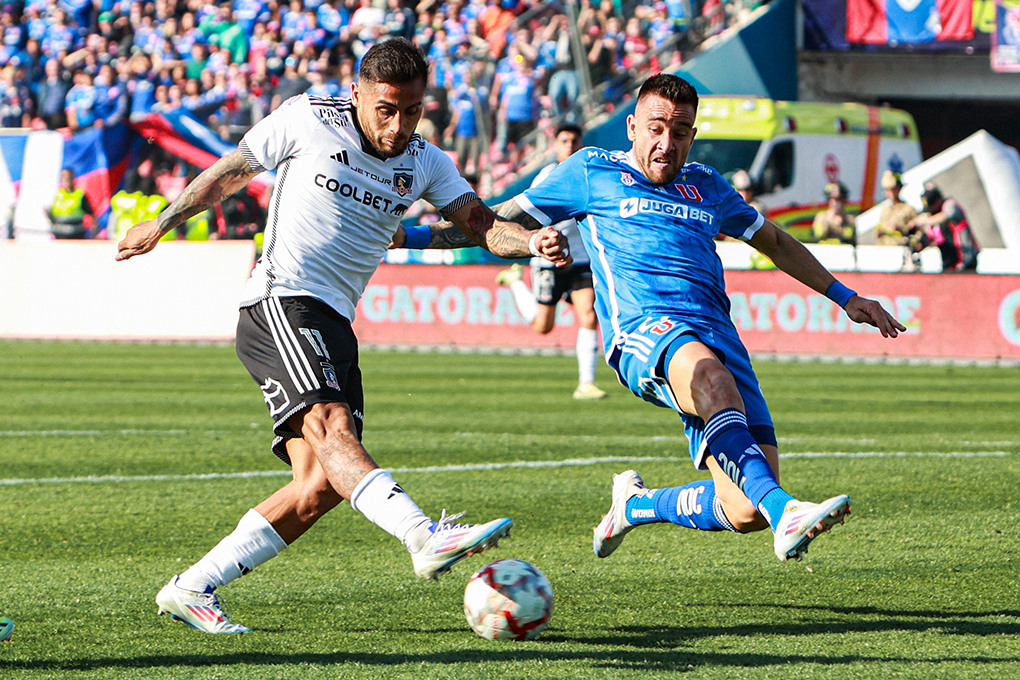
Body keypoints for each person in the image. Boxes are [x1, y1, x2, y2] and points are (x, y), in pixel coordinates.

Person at [116, 38, 570, 635]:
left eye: (412, 110)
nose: (399, 123)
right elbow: (226, 176)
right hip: (280, 300)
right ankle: (421, 535)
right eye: (387, 109)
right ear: (357, 94)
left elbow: (485, 229)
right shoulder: (305, 119)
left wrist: (529, 242)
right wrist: (163, 221)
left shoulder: (427, 161)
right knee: (331, 424)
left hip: (334, 322)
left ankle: (192, 587)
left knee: (319, 486)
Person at [405, 74, 904, 565]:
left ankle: (637, 505)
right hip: (644, 331)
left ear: (693, 134)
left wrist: (846, 297)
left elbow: (772, 240)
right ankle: (788, 512)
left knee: (744, 506)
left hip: (717, 336)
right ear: (631, 127)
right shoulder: (589, 171)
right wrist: (408, 237)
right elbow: (488, 222)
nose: (666, 143)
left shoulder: (707, 185)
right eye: (656, 127)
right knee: (714, 385)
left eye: (681, 131)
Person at [494, 123, 608, 400]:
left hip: (580, 259)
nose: (569, 145)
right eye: (564, 140)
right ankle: (515, 282)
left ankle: (586, 383)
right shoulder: (546, 177)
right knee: (543, 326)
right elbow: (529, 214)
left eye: (574, 140)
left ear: (581, 145)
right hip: (549, 260)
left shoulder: (591, 176)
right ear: (556, 145)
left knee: (589, 315)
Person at [908, 182, 979, 272]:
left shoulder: (950, 205)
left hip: (966, 258)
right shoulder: (933, 219)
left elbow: (945, 216)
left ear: (938, 201)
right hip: (949, 262)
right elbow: (931, 237)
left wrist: (923, 220)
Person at [47, 168, 94, 239]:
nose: (66, 180)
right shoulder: (57, 195)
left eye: (68, 177)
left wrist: (94, 233)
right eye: (63, 177)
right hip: (59, 236)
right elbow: (52, 216)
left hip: (76, 236)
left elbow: (92, 215)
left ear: (72, 178)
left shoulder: (79, 195)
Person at [875, 170, 917, 247]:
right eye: (888, 190)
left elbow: (916, 230)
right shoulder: (885, 210)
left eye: (893, 189)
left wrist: (902, 229)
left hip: (900, 247)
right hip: (884, 248)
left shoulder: (908, 209)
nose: (890, 193)